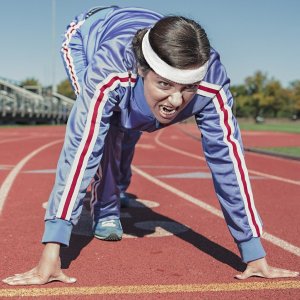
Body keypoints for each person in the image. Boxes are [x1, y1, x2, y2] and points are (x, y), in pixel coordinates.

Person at [3, 5, 298, 285]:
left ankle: (119, 184)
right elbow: (81, 149)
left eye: (188, 89)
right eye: (165, 85)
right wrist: (52, 250)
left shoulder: (212, 84)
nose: (176, 101)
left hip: (143, 38)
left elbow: (229, 162)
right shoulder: (111, 69)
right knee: (106, 129)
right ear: (144, 70)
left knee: (134, 124)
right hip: (87, 35)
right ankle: (105, 207)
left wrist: (253, 252)